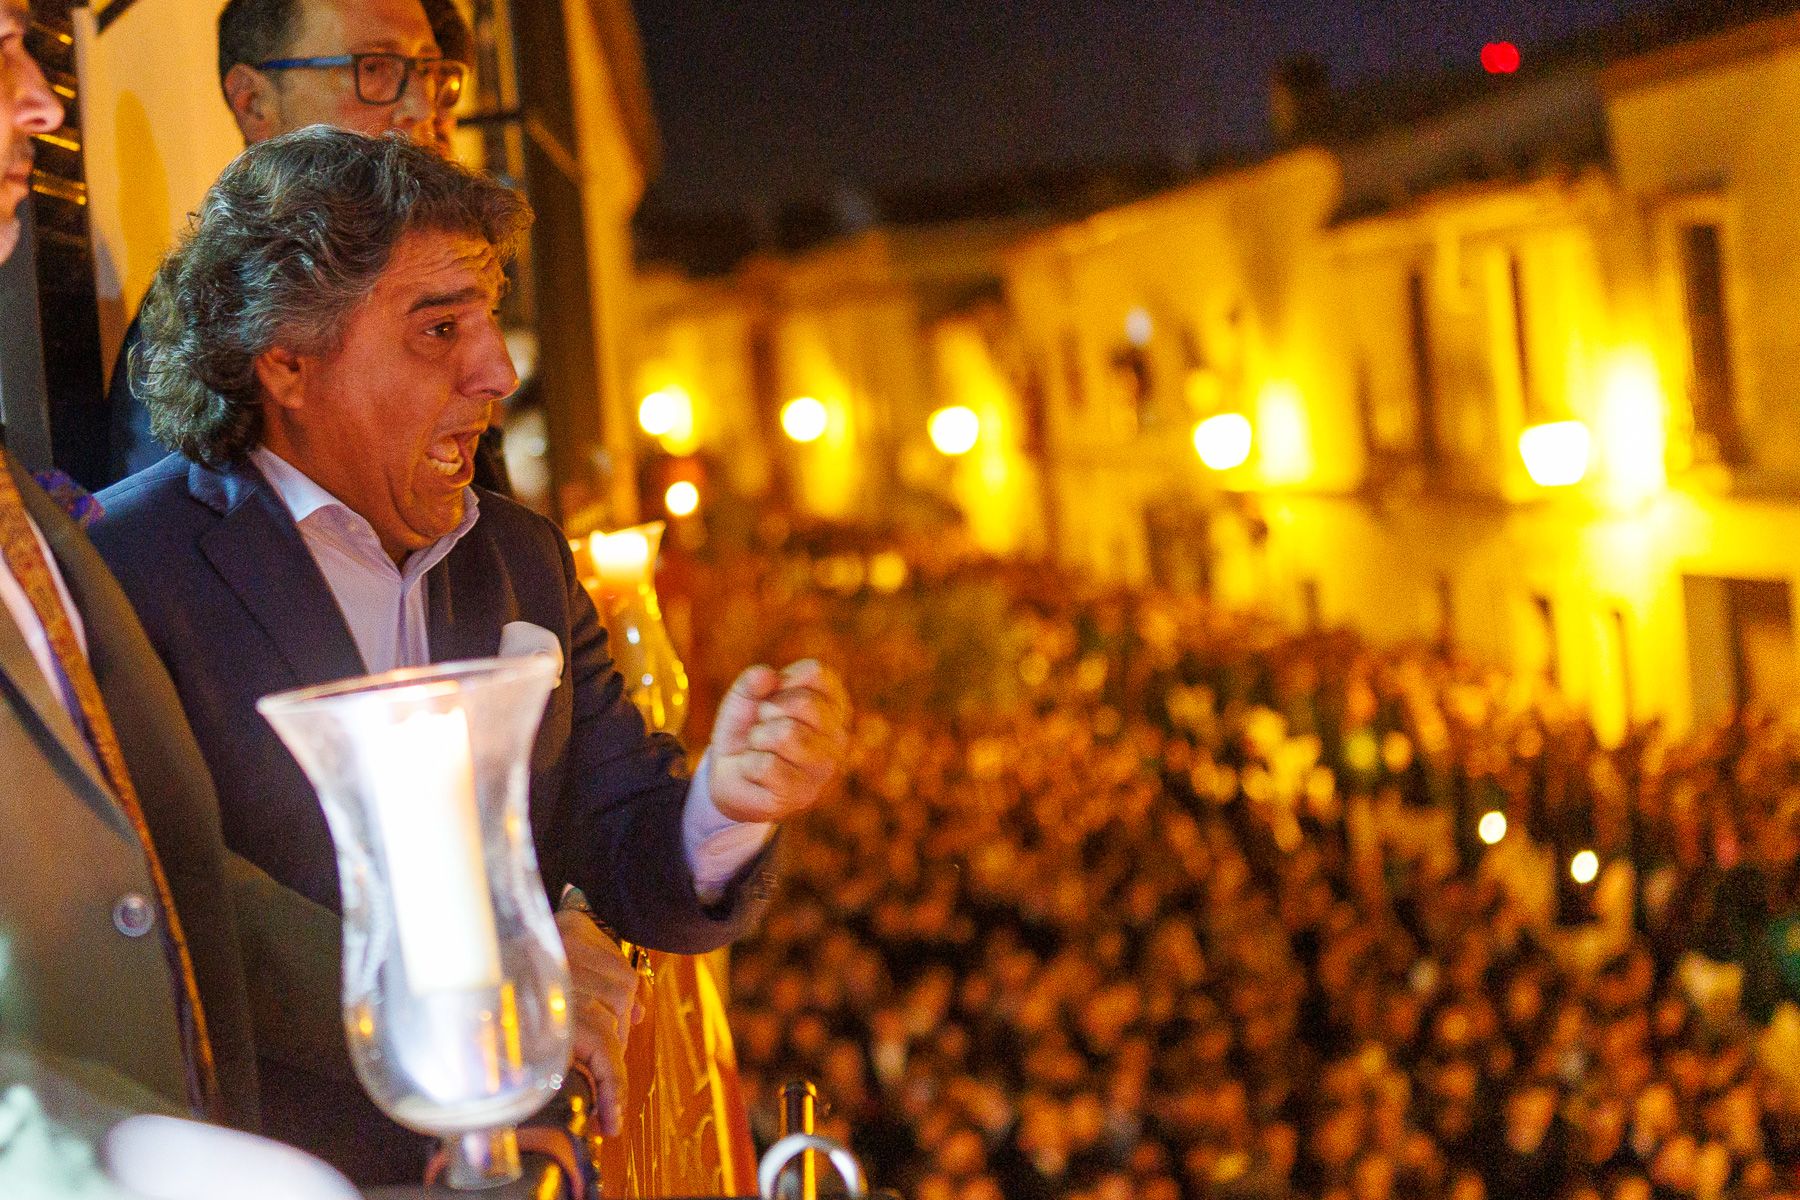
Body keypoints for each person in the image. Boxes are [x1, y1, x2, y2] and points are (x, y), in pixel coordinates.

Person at [89, 126, 850, 1183]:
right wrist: (493, 993)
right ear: (288, 362)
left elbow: (622, 842)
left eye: (490, 319)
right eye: (440, 328)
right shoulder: (125, 572)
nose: (498, 370)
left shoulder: (521, 557)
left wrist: (726, 805)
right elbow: (166, 919)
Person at [102, 0, 462, 485]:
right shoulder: (218, 323)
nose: (422, 108)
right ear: (253, 102)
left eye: (430, 71)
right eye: (374, 68)